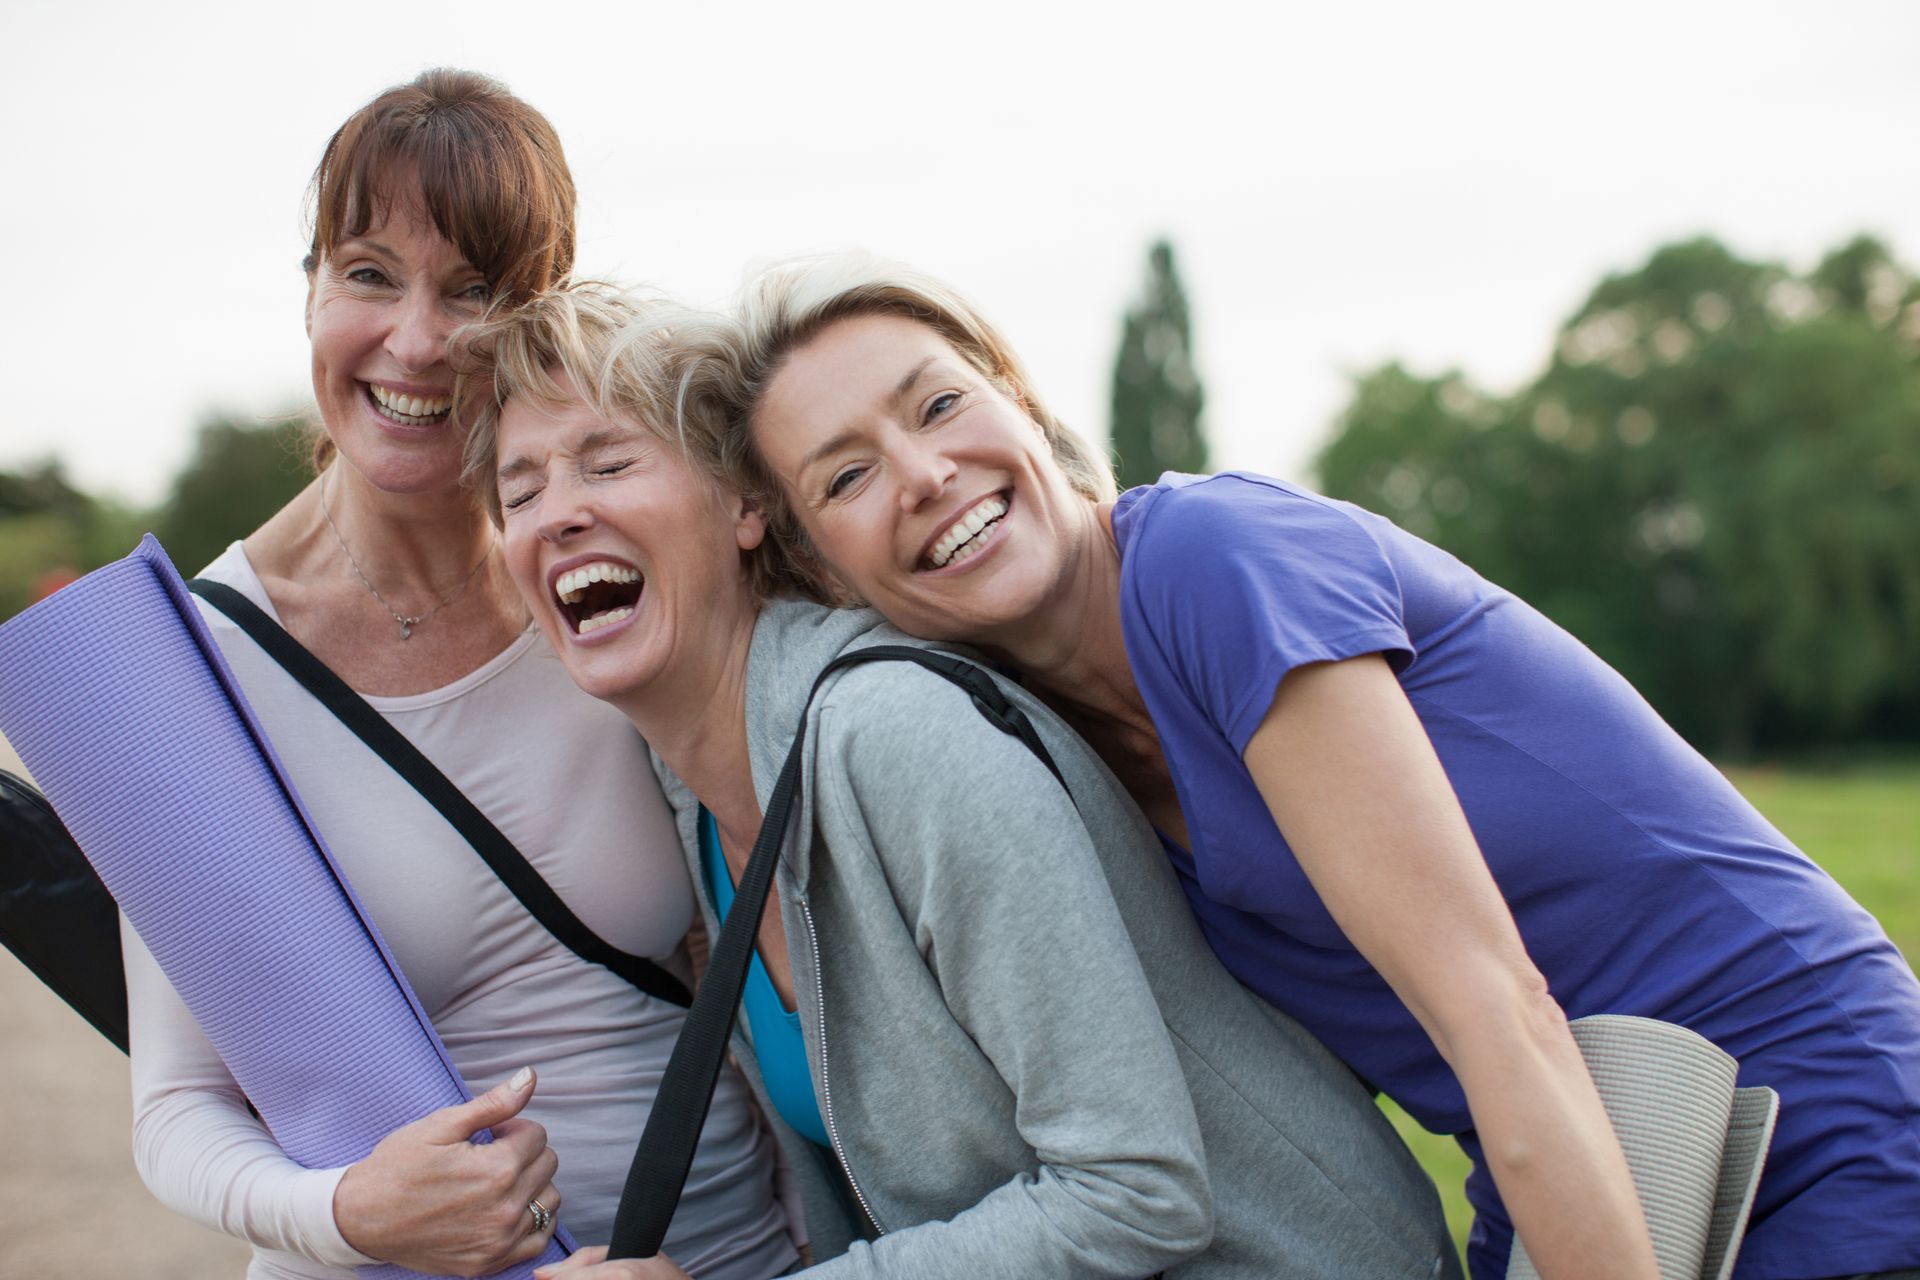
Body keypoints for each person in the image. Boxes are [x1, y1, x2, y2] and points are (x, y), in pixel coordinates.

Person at [698, 253, 1920, 1280]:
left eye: (939, 404)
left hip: (1816, 1130)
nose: (922, 474)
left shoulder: (1215, 565)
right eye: (846, 475)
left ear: (1020, 401)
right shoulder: (1033, 752)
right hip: (1591, 1185)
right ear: (824, 574)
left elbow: (1501, 1010)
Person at [454, 282, 1460, 1279]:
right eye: (521, 490)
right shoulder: (696, 809)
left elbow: (1138, 1188)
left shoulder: (895, 736)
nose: (558, 515)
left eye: (608, 462)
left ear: (743, 505)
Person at [122, 71, 796, 1280]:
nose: (419, 339)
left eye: (476, 291)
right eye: (370, 272)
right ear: (314, 291)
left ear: (539, 319)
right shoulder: (192, 661)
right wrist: (349, 1211)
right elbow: (174, 1109)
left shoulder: (610, 581)